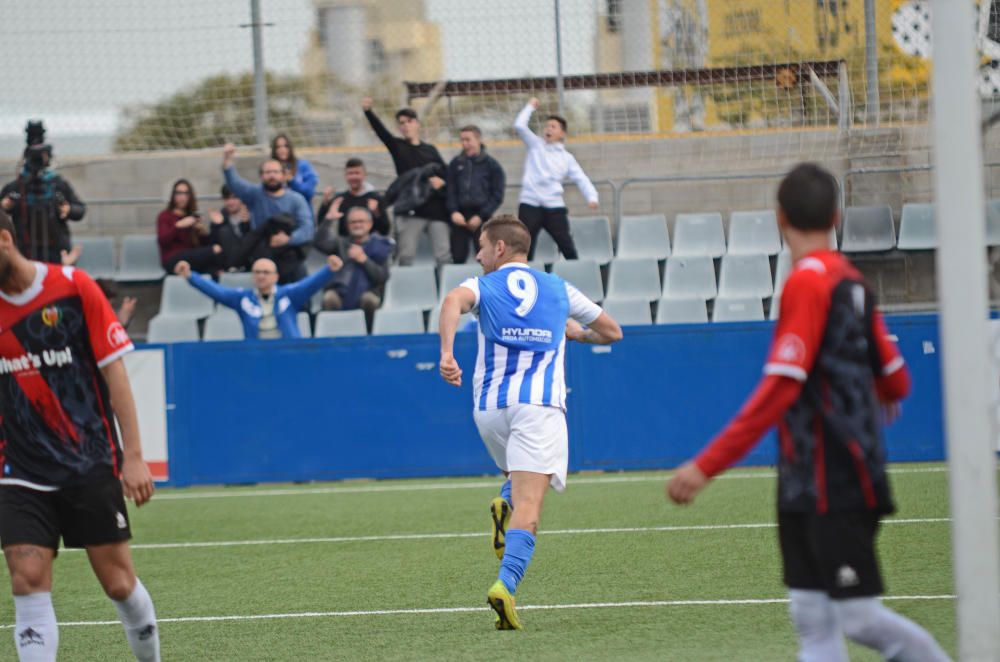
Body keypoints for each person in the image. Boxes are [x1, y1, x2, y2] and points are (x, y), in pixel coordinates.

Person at [666, 164, 949, 662]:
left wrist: (705, 465)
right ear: (836, 217)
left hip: (831, 475)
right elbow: (898, 379)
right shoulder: (852, 280)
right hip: (813, 475)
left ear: (779, 218)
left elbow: (780, 387)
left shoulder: (807, 284)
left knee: (858, 619)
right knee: (812, 620)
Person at [438, 214, 622, 630]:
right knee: (531, 507)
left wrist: (447, 354)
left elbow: (451, 302)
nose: (479, 253)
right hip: (537, 407)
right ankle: (506, 586)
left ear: (500, 248)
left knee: (516, 477)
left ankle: (505, 500)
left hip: (488, 411)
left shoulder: (481, 285)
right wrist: (577, 335)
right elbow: (613, 332)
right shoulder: (559, 288)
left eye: (482, 245)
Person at [0, 209, 161, 661]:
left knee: (119, 584)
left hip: (87, 463)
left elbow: (116, 375)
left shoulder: (73, 287)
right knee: (27, 579)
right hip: (20, 469)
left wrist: (133, 456)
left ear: (5, 240)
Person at [362, 97, 451, 266]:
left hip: (437, 211)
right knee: (406, 256)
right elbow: (382, 133)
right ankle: (403, 290)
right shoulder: (398, 146)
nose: (406, 125)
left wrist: (442, 183)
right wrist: (368, 112)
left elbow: (445, 173)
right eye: (401, 123)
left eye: (409, 121)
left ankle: (446, 292)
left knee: (443, 257)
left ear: (417, 123)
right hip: (411, 211)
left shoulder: (429, 150)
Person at [174, 253, 343, 340]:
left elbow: (310, 284)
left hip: (288, 352)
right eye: (257, 272)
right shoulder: (242, 299)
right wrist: (191, 276)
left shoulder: (289, 295)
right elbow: (217, 291)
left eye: (266, 272)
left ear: (275, 277)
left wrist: (329, 270)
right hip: (256, 354)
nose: (261, 276)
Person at [514, 98, 599, 261]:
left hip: (554, 206)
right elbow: (519, 125)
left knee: (566, 245)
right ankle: (523, 281)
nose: (548, 129)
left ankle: (578, 277)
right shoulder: (535, 145)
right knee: (524, 247)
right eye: (547, 126)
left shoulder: (567, 158)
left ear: (562, 133)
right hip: (530, 204)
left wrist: (592, 197)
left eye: (553, 127)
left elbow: (581, 178)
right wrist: (530, 107)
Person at [221, 144, 314, 282]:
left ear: (283, 176)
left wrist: (288, 239)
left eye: (275, 172)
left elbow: (308, 229)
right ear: (261, 176)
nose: (272, 176)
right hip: (263, 253)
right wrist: (228, 159)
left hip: (290, 254)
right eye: (267, 172)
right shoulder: (255, 195)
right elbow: (234, 183)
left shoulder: (296, 199)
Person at [0, 121, 86, 264]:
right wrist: (4, 206)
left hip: (56, 251)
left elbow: (80, 210)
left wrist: (68, 209)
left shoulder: (57, 184)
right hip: (25, 252)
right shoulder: (17, 187)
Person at [315, 206, 392, 325]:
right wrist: (328, 220)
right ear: (347, 225)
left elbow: (382, 277)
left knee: (369, 300)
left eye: (361, 221)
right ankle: (334, 338)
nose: (357, 225)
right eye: (353, 222)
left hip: (367, 293)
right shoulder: (340, 243)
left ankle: (369, 338)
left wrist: (364, 260)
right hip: (341, 293)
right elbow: (319, 243)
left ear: (370, 223)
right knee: (329, 298)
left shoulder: (379, 246)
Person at [446, 125, 506, 264]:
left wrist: (481, 215)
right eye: (462, 140)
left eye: (468, 140)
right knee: (458, 257)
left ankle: (484, 286)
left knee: (485, 259)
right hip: (460, 218)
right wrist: (454, 211)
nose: (464, 144)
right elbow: (450, 190)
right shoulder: (455, 164)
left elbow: (497, 195)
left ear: (478, 140)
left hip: (482, 218)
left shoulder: (492, 165)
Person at [155, 179, 234, 274]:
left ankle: (228, 273)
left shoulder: (192, 216)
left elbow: (202, 246)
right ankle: (233, 268)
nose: (182, 197)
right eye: (179, 193)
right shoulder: (165, 215)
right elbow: (163, 241)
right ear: (173, 195)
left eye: (186, 193)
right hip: (172, 260)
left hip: (192, 259)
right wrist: (178, 225)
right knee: (215, 250)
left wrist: (203, 232)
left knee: (215, 271)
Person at [316, 158, 390, 238]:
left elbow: (385, 230)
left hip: (370, 247)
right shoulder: (339, 200)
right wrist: (325, 203)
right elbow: (320, 226)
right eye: (350, 173)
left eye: (357, 173)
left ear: (364, 175)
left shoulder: (376, 198)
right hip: (345, 246)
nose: (354, 177)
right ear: (345, 176)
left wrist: (377, 213)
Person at [271, 133, 318, 203]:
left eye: (286, 146)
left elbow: (309, 193)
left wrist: (292, 181)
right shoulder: (270, 168)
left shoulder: (303, 165)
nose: (282, 149)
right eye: (278, 147)